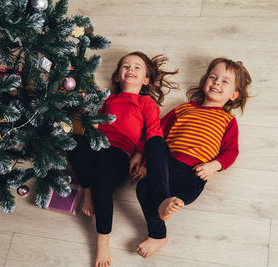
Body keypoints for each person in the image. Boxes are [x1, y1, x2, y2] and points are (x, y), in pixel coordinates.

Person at [130, 57, 252, 258]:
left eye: (224, 82)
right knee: (151, 156)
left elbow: (231, 151)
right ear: (205, 81)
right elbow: (156, 130)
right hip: (166, 166)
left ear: (234, 95)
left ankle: (157, 231)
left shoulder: (227, 120)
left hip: (193, 173)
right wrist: (145, 161)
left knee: (146, 189)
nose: (216, 83)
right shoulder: (183, 109)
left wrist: (214, 166)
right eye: (213, 77)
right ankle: (160, 226)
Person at [67, 51, 178, 267]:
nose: (130, 69)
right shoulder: (108, 99)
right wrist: (93, 125)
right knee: (73, 143)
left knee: (103, 187)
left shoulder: (146, 103)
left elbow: (153, 134)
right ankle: (86, 190)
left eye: (137, 67)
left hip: (119, 152)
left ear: (146, 79)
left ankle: (102, 240)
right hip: (97, 144)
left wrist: (139, 154)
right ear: (117, 76)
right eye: (125, 66)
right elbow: (94, 122)